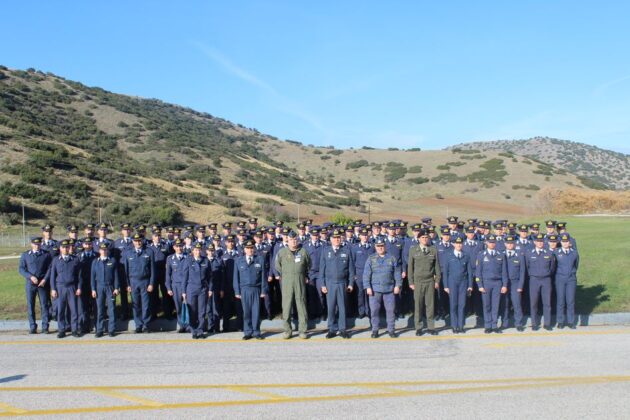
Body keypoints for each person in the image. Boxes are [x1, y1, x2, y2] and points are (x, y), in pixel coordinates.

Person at [274, 231, 311, 339]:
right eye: (291, 239)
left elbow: (309, 264)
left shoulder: (303, 252)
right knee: (286, 306)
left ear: (298, 240)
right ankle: (287, 330)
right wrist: (286, 274)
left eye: (295, 239)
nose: (293, 241)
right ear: (287, 240)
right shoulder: (282, 252)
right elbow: (277, 266)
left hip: (300, 280)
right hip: (287, 281)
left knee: (301, 305)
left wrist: (303, 274)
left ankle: (303, 331)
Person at [363, 238, 402, 338]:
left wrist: (398, 285)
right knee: (374, 311)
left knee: (390, 311)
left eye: (382, 246)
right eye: (378, 246)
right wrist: (367, 287)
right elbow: (366, 274)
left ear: (385, 246)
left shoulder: (392, 258)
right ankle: (375, 330)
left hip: (389, 289)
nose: (380, 248)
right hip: (375, 290)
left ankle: (391, 330)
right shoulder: (371, 258)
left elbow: (397, 273)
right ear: (375, 247)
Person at [320, 229, 355, 339]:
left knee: (342, 307)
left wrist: (351, 284)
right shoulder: (326, 251)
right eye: (334, 238)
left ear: (341, 239)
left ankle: (342, 329)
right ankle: (332, 329)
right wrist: (323, 284)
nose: (336, 240)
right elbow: (322, 270)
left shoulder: (346, 251)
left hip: (342, 283)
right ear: (330, 239)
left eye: (338, 238)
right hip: (330, 284)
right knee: (331, 307)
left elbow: (351, 270)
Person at [407, 229, 441, 336]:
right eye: (422, 237)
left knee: (430, 305)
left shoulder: (433, 250)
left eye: (426, 237)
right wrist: (411, 282)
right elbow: (410, 268)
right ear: (418, 239)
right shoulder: (413, 250)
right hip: (418, 282)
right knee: (418, 305)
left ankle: (431, 327)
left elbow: (437, 267)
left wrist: (437, 281)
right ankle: (419, 327)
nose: (425, 239)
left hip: (430, 281)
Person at [233, 240, 268, 340]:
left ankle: (256, 331)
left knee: (256, 312)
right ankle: (247, 331)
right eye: (248, 248)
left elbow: (263, 276)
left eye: (252, 248)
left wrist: (263, 291)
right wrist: (237, 291)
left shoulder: (260, 259)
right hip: (244, 289)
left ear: (254, 249)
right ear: (244, 249)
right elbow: (236, 277)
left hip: (256, 289)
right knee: (246, 312)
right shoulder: (239, 260)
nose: (250, 250)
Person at [18, 237, 52, 334]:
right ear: (31, 244)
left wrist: (45, 279)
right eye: (35, 244)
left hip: (42, 284)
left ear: (41, 244)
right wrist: (30, 276)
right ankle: (33, 326)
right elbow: (21, 269)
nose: (37, 246)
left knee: (44, 305)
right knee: (30, 305)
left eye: (39, 244)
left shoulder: (46, 254)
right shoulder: (26, 255)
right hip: (30, 283)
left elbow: (50, 268)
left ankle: (45, 326)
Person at [475, 235, 508, 333]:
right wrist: (480, 285)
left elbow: (504, 272)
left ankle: (494, 325)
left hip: (497, 283)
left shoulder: (500, 255)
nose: (492, 244)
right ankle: (487, 325)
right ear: (486, 243)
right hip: (486, 283)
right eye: (490, 242)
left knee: (495, 305)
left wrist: (504, 285)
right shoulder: (481, 255)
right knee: (487, 305)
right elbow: (478, 272)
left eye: (493, 242)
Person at [123, 233, 155, 333]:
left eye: (139, 240)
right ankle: (138, 324)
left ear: (142, 241)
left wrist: (151, 283)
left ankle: (146, 324)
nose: (138, 242)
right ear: (133, 242)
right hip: (133, 282)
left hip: (145, 281)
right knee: (135, 304)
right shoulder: (128, 253)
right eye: (136, 241)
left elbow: (153, 270)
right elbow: (126, 271)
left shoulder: (149, 252)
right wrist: (127, 284)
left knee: (146, 304)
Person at [49, 240, 82, 338]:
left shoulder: (75, 259)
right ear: (60, 248)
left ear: (70, 248)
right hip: (60, 288)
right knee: (61, 310)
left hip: (72, 287)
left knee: (74, 310)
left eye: (67, 247)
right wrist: (53, 289)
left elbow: (79, 276)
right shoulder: (56, 260)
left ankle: (74, 330)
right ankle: (61, 330)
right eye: (63, 247)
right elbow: (52, 276)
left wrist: (79, 287)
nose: (65, 249)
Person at [526, 234, 557, 331]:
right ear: (534, 242)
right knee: (533, 303)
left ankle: (547, 323)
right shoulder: (529, 253)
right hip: (534, 280)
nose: (540, 243)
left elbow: (552, 268)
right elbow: (527, 267)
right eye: (538, 241)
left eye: (541, 241)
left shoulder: (549, 253)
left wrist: (546, 274)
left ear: (544, 242)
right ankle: (534, 323)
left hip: (546, 280)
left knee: (547, 303)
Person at [444, 237, 474, 333]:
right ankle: (454, 326)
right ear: (453, 244)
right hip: (452, 283)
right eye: (457, 243)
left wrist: (470, 285)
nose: (459, 245)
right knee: (453, 305)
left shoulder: (466, 255)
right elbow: (445, 272)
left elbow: (470, 272)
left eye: (460, 243)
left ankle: (461, 326)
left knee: (462, 305)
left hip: (463, 283)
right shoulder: (448, 255)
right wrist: (446, 286)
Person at [183, 243, 213, 339]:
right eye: (195, 250)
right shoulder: (188, 261)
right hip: (191, 289)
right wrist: (183, 291)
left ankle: (200, 330)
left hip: (203, 289)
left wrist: (210, 289)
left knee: (202, 311)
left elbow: (210, 277)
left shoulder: (206, 261)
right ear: (192, 251)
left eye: (199, 250)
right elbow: (184, 277)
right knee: (192, 310)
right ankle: (193, 330)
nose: (197, 252)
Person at [90, 243, 120, 337]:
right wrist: (93, 289)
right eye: (102, 250)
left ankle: (112, 329)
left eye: (105, 249)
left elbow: (116, 276)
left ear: (108, 250)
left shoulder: (112, 260)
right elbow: (92, 277)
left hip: (110, 287)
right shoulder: (95, 262)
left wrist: (116, 288)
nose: (104, 251)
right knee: (100, 309)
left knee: (111, 309)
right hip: (99, 287)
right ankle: (99, 330)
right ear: (99, 251)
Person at [554, 234, 580, 329]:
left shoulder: (574, 253)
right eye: (563, 242)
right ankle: (560, 321)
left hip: (571, 279)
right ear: (561, 242)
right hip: (560, 279)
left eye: (567, 242)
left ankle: (570, 321)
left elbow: (576, 265)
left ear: (569, 243)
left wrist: (572, 273)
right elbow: (554, 266)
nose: (565, 243)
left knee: (570, 301)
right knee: (560, 301)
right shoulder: (556, 252)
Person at [503, 235, 527, 331]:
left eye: (511, 243)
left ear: (514, 244)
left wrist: (520, 285)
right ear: (505, 244)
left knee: (517, 304)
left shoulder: (519, 255)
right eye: (508, 243)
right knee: (504, 304)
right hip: (504, 283)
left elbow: (522, 272)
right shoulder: (501, 255)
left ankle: (519, 323)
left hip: (515, 283)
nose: (510, 245)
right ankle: (505, 323)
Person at [165, 239, 189, 333]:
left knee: (188, 305)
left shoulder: (188, 257)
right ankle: (181, 325)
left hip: (187, 285)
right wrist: (168, 287)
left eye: (180, 246)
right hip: (176, 285)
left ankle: (188, 325)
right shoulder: (170, 259)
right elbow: (168, 274)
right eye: (177, 246)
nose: (179, 248)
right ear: (174, 247)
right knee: (178, 306)